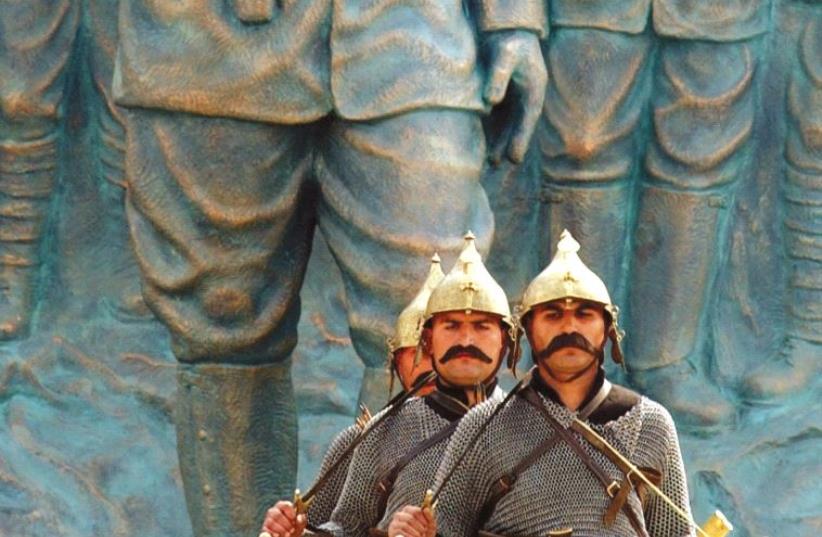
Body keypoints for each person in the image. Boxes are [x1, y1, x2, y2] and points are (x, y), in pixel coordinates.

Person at [112, 3, 548, 534]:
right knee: (220, 324)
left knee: (433, 315)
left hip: (413, 44)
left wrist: (513, 18)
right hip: (203, 47)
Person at [391, 230, 695, 537]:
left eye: (584, 314)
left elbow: (676, 533)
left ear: (607, 330)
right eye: (552, 315)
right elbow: (444, 530)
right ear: (527, 331)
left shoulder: (650, 425)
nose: (569, 326)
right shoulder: (483, 427)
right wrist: (417, 530)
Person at [260, 233, 515, 537]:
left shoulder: (539, 425)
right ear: (429, 341)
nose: (466, 340)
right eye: (452, 326)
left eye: (482, 326)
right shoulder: (384, 432)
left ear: (506, 341)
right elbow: (345, 529)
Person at [293, 253, 444, 530]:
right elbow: (334, 528)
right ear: (397, 362)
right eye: (416, 354)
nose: (428, 365)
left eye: (438, 352)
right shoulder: (363, 440)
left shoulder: (496, 432)